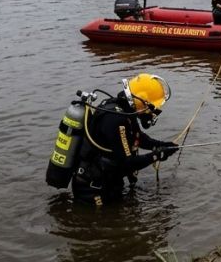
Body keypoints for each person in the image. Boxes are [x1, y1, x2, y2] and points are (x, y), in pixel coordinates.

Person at [71, 74, 179, 206]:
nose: (152, 112)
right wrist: (157, 155)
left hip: (109, 180)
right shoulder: (116, 119)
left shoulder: (126, 110)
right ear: (142, 102)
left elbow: (137, 137)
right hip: (93, 188)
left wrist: (161, 145)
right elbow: (127, 163)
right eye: (151, 107)